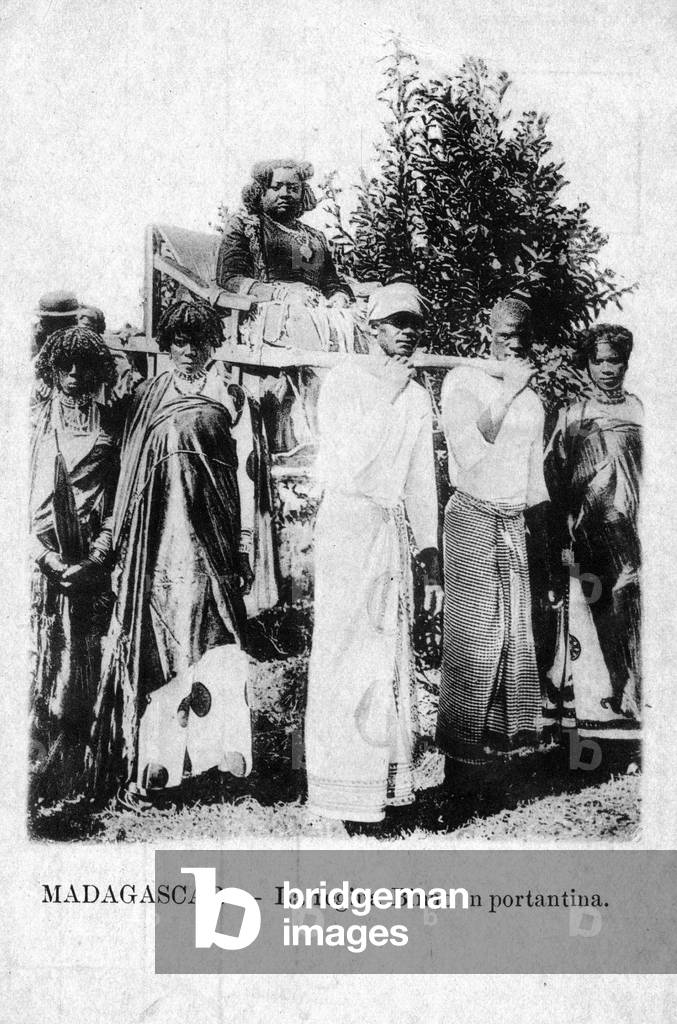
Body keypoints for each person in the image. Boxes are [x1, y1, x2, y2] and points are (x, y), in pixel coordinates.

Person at [88, 300, 256, 804]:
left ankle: (222, 754)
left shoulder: (231, 396)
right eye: (179, 341)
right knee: (162, 638)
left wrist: (245, 544)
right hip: (160, 541)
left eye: (198, 341)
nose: (188, 351)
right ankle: (161, 759)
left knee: (216, 636)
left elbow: (245, 477)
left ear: (212, 344)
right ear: (167, 345)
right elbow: (127, 466)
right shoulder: (146, 398)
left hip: (215, 540)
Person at [304, 282, 444, 823]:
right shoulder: (344, 382)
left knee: (385, 655)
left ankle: (380, 790)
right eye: (396, 324)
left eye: (413, 325)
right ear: (373, 328)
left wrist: (429, 556)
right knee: (342, 651)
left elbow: (420, 481)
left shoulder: (417, 394)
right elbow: (347, 465)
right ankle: (335, 792)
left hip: (387, 532)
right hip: (346, 525)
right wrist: (387, 391)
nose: (406, 334)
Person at [435, 297, 551, 773]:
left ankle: (501, 751)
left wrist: (545, 543)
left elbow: (533, 476)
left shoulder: (534, 399)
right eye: (505, 335)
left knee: (512, 633)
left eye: (522, 336)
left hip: (513, 522)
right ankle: (459, 755)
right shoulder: (462, 379)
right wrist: (505, 392)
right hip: (472, 517)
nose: (514, 343)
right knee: (474, 635)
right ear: (489, 331)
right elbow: (467, 450)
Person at [216, 158, 369, 450]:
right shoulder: (246, 226)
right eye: (277, 187)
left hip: (316, 313)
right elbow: (230, 278)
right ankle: (308, 428)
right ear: (261, 190)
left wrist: (338, 295)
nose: (285, 193)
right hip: (263, 314)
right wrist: (282, 293)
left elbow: (331, 282)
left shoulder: (314, 237)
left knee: (358, 321)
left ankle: (349, 422)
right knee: (304, 322)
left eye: (294, 188)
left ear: (304, 194)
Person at [29, 326, 119, 798]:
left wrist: (100, 555)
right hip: (43, 565)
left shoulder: (111, 423)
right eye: (65, 366)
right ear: (52, 368)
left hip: (94, 566)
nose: (74, 375)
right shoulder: (35, 422)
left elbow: (121, 497)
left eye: (84, 366)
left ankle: (86, 766)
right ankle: (40, 767)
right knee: (46, 664)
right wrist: (45, 558)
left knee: (89, 663)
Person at [544, 324, 642, 739]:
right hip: (589, 532)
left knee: (635, 610)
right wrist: (563, 533)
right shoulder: (573, 413)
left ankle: (634, 701)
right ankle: (595, 715)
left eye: (614, 360)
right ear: (587, 364)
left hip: (638, 532)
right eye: (598, 360)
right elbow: (554, 474)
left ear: (625, 362)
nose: (607, 369)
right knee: (597, 616)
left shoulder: (641, 410)